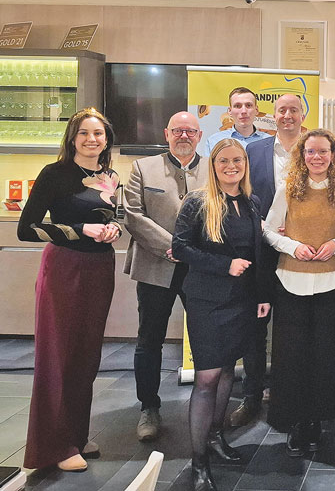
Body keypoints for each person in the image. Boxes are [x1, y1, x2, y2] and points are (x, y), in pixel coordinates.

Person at [18, 108, 121, 471]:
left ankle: (75, 435)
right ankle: (54, 446)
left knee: (87, 356)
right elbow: (27, 229)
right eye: (84, 133)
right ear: (72, 139)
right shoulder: (55, 174)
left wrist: (113, 229)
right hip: (64, 269)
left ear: (106, 139)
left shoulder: (110, 176)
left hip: (100, 269)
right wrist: (80, 230)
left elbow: (115, 216)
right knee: (58, 355)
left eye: (98, 133)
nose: (92, 139)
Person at [172, 139, 271, 491]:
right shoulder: (198, 202)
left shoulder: (251, 202)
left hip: (243, 301)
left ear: (245, 163)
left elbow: (257, 253)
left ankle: (215, 437)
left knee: (229, 369)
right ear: (213, 166)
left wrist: (262, 295)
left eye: (238, 160)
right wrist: (224, 264)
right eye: (224, 161)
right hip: (208, 302)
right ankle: (199, 463)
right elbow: (180, 247)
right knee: (207, 379)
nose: (232, 166)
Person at [263, 129, 335, 457]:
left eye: (323, 152)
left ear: (334, 155)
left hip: (331, 283)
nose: (317, 157)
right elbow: (268, 229)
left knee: (324, 357)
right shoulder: (287, 188)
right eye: (311, 152)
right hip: (291, 282)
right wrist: (292, 246)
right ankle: (294, 421)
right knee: (291, 357)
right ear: (302, 156)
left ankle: (317, 420)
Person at [124, 111, 208, 442]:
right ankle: (149, 407)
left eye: (190, 131)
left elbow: (222, 214)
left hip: (200, 268)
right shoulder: (143, 168)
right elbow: (134, 215)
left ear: (199, 136)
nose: (184, 135)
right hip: (155, 265)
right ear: (166, 134)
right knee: (149, 339)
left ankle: (207, 407)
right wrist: (171, 247)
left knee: (206, 338)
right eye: (178, 130)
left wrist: (193, 251)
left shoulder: (214, 168)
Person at [232, 93, 306, 427]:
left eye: (294, 110)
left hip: (301, 252)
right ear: (272, 115)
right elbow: (242, 194)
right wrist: (258, 224)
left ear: (302, 115)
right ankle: (251, 394)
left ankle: (288, 392)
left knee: (292, 328)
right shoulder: (253, 151)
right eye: (282, 110)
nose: (287, 115)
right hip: (260, 251)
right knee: (255, 327)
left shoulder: (314, 149)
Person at [201, 87, 269, 156]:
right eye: (237, 106)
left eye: (248, 105)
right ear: (229, 111)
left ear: (256, 110)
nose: (243, 111)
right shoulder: (214, 141)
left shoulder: (270, 141)